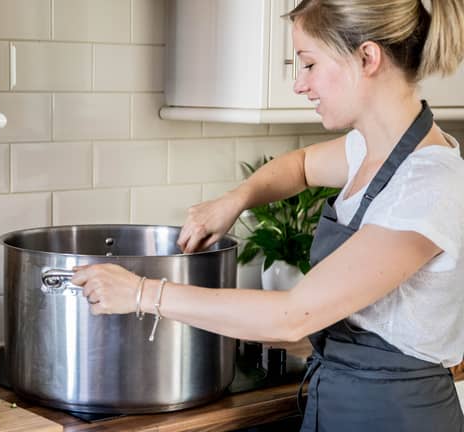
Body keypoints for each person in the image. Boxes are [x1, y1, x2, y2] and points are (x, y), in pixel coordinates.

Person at [70, 0, 464, 430]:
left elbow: (291, 317)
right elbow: (300, 166)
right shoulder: (372, 150)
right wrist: (235, 200)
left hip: (395, 415)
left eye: (310, 64)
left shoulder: (426, 185)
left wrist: (142, 293)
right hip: (344, 397)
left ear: (367, 58)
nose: (300, 84)